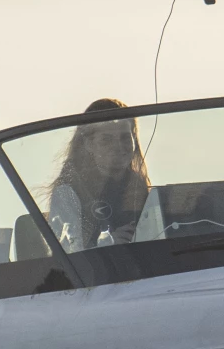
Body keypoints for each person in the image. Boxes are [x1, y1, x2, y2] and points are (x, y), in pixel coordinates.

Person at [47, 100, 151, 247]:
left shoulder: (140, 189)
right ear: (89, 144)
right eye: (106, 140)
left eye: (125, 138)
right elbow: (68, 252)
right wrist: (108, 243)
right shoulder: (68, 192)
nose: (118, 147)